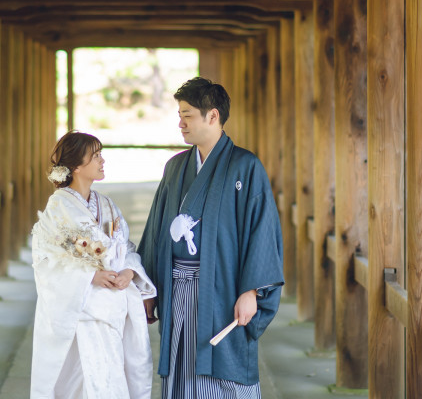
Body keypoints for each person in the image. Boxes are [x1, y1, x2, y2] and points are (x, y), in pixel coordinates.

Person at [138, 77, 284, 398]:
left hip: (224, 290)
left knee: (226, 364)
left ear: (213, 116)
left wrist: (251, 291)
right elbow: (156, 231)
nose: (181, 123)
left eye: (187, 115)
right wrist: (148, 288)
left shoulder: (246, 166)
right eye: (180, 115)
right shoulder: (175, 167)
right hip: (178, 287)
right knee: (181, 363)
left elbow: (262, 231)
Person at [30, 131, 157, 399]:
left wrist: (129, 271)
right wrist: (90, 276)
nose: (102, 161)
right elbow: (46, 260)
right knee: (86, 383)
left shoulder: (107, 205)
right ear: (76, 166)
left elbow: (127, 248)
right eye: (96, 156)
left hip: (111, 310)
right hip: (81, 312)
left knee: (110, 380)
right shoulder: (58, 207)